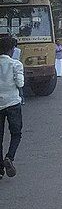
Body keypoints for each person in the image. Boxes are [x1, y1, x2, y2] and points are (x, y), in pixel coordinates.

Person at [0, 36, 24, 180]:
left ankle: (0, 170)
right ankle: (9, 157)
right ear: (12, 49)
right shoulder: (16, 64)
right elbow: (20, 83)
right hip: (13, 103)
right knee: (16, 133)